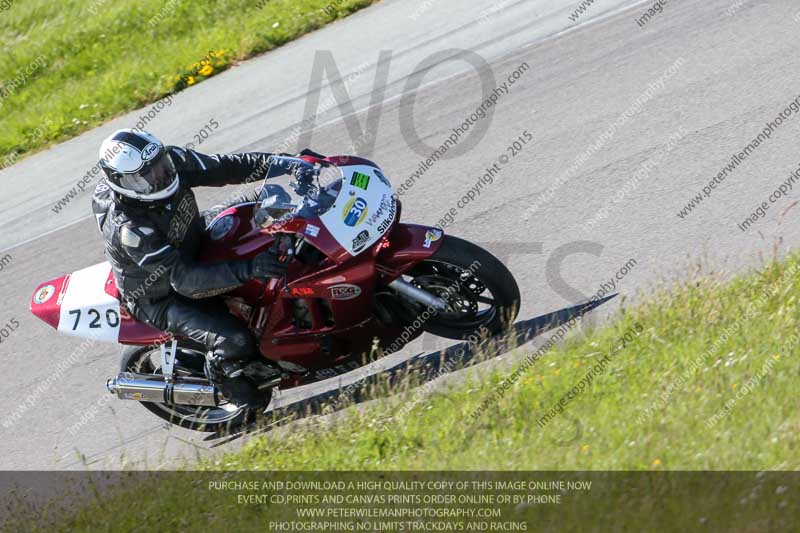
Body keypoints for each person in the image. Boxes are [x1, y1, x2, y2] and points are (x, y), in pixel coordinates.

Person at [92, 128, 310, 413]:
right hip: (162, 294)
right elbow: (184, 281)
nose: (159, 176)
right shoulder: (131, 229)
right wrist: (250, 268)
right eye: (146, 176)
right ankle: (223, 373)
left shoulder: (170, 162)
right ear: (123, 183)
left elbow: (224, 167)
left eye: (159, 165)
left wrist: (284, 163)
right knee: (235, 339)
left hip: (193, 237)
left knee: (270, 198)